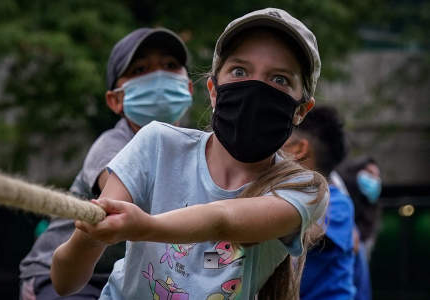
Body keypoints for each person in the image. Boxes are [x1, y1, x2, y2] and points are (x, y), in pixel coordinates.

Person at [51, 8, 329, 300]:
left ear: (301, 110)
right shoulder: (157, 144)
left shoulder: (304, 189)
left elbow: (224, 219)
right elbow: (64, 281)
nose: (256, 87)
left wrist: (146, 226)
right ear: (213, 90)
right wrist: (90, 238)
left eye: (280, 79)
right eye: (239, 71)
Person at [19, 27, 193, 300]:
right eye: (139, 70)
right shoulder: (112, 144)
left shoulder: (194, 147)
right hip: (67, 276)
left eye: (170, 65)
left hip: (137, 276)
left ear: (189, 87)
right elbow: (125, 190)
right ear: (115, 100)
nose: (158, 76)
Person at [281, 105, 356, 299]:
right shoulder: (286, 197)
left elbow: (306, 232)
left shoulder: (338, 204)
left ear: (299, 149)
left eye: (282, 139)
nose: (275, 147)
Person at [337, 157, 382, 300]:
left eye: (376, 176)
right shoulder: (338, 201)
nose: (373, 180)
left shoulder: (370, 216)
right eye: (369, 173)